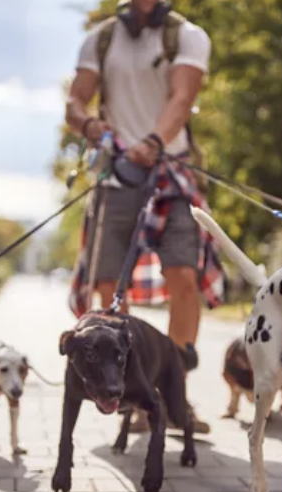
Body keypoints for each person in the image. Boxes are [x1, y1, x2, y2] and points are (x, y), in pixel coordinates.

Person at [65, 0, 224, 433]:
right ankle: (130, 396)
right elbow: (75, 101)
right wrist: (88, 125)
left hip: (171, 172)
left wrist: (154, 141)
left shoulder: (186, 36)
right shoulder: (100, 39)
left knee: (184, 277)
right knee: (108, 289)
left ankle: (175, 397)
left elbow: (182, 97)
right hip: (116, 177)